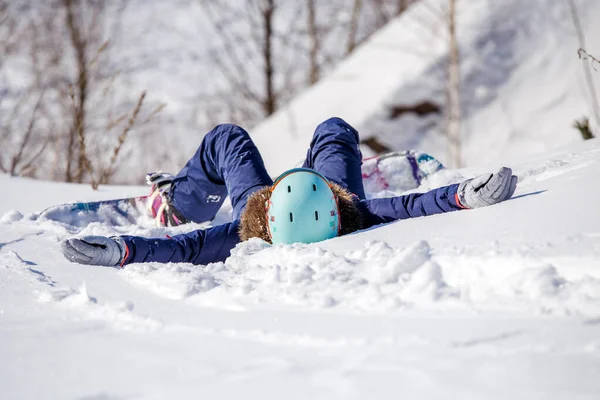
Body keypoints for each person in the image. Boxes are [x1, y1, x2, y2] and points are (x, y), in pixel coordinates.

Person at [61, 117, 518, 267]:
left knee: (227, 138)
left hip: (270, 202)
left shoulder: (247, 230)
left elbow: (185, 247)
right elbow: (410, 205)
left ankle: (178, 204)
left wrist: (122, 251)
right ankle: (332, 164)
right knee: (334, 130)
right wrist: (465, 195)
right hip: (319, 191)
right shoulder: (355, 209)